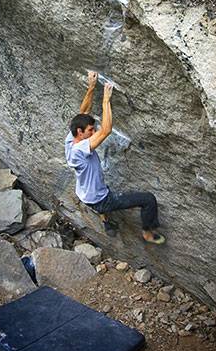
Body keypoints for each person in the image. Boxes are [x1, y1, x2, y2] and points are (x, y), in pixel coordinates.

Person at [64, 71, 166, 244]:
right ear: (81, 133)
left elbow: (83, 112)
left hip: (84, 193)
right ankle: (148, 233)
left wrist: (91, 86)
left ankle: (106, 220)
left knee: (100, 187)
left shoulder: (70, 139)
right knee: (148, 199)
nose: (93, 132)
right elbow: (106, 130)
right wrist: (105, 100)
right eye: (90, 130)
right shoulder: (80, 150)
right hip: (100, 199)